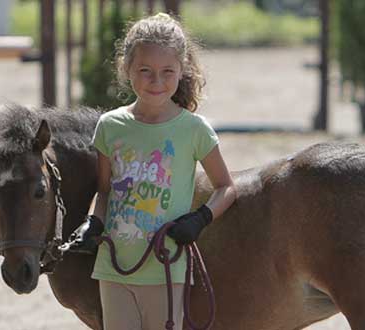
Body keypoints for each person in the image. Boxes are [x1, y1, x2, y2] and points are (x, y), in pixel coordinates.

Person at [67, 12, 235, 330]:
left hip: (166, 268)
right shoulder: (110, 126)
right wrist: (93, 222)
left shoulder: (194, 130)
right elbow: (105, 191)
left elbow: (226, 187)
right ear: (126, 68)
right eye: (145, 71)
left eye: (167, 72)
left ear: (182, 70)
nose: (156, 82)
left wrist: (200, 219)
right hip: (113, 268)